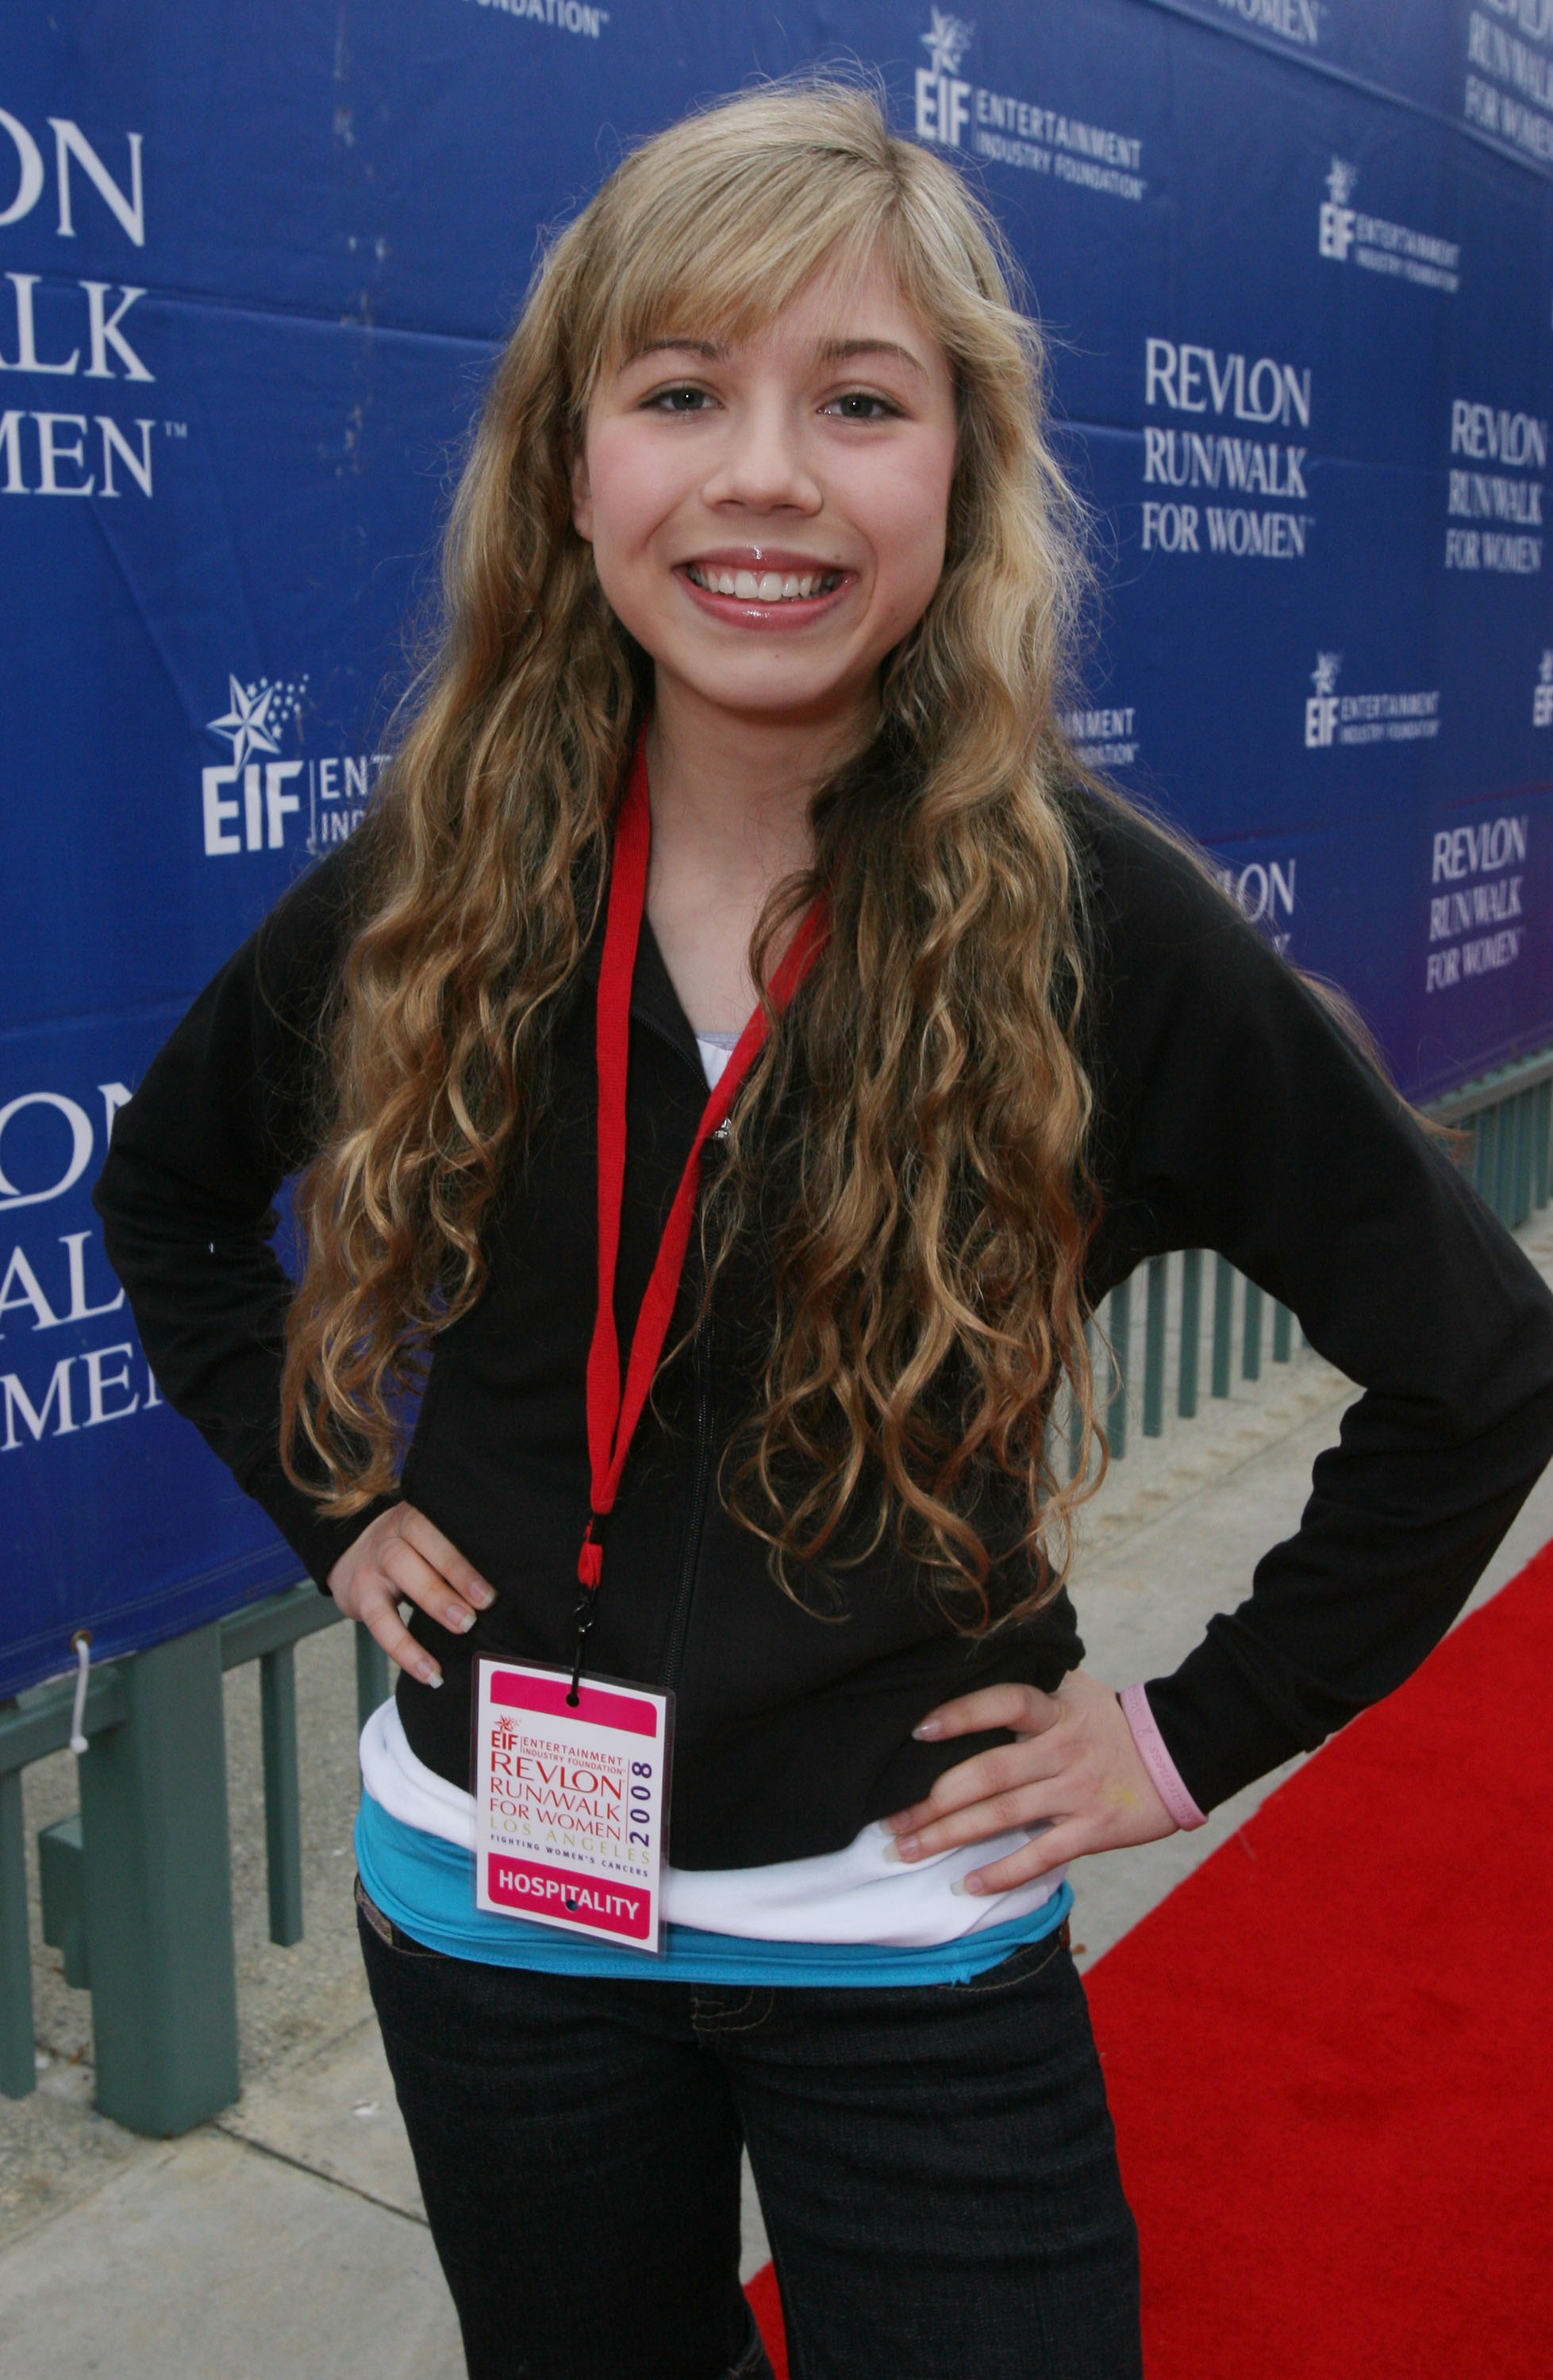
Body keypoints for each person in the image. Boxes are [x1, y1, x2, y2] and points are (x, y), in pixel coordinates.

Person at [94, 79, 1553, 2380]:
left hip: (898, 1930)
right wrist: (332, 1504)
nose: (764, 472)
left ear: (956, 473)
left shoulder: (1105, 932)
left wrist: (1185, 1739)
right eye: (681, 393)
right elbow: (166, 1196)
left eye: (856, 402)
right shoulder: (438, 881)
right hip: (489, 1919)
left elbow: (1486, 1368)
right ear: (575, 473)